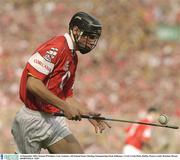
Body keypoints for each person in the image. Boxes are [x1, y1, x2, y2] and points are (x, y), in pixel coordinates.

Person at [11, 11, 111, 154]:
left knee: (77, 156)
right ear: (75, 30)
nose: (91, 42)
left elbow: (67, 96)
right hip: (31, 119)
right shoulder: (57, 46)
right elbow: (32, 84)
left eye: (93, 38)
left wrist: (88, 114)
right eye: (88, 36)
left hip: (53, 118)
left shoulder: (73, 57)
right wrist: (64, 107)